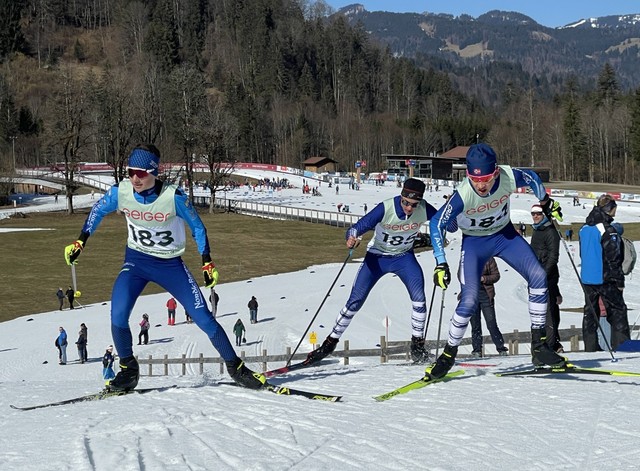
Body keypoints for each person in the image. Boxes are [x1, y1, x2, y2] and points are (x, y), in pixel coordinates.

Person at [63, 144, 265, 391]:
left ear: (154, 172)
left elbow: (198, 227)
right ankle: (128, 370)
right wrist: (80, 241)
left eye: (141, 173)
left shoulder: (173, 197)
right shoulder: (121, 191)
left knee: (204, 319)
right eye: (131, 172)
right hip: (136, 262)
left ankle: (236, 368)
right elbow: (98, 210)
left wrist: (207, 261)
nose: (135, 178)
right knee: (117, 315)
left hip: (170, 265)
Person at [427, 143, 566, 378]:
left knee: (539, 276)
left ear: (496, 172)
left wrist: (545, 201)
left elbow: (532, 177)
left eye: (487, 179)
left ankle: (540, 346)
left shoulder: (508, 177)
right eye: (474, 179)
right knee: (469, 299)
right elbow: (436, 223)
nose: (481, 185)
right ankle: (448, 355)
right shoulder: (463, 194)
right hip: (474, 244)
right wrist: (441, 262)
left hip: (504, 236)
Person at [307, 178, 439, 365]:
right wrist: (351, 238)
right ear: (401, 197)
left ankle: (417, 348)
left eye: (414, 205)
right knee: (355, 301)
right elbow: (357, 227)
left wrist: (446, 215)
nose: (409, 208)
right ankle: (328, 345)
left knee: (419, 298)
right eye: (405, 203)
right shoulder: (386, 208)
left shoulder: (424, 208)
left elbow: (448, 224)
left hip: (403, 258)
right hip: (377, 258)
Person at [579, 194, 630, 351]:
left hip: (587, 277)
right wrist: (619, 282)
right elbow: (613, 258)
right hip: (604, 277)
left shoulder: (585, 228)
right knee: (618, 309)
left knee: (590, 312)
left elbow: (582, 252)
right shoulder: (607, 230)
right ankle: (622, 347)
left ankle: (590, 347)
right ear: (610, 209)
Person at [530, 203, 564, 353]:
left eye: (538, 213)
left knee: (548, 313)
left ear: (544, 215)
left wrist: (543, 274)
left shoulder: (550, 231)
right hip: (536, 276)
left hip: (546, 276)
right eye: (533, 214)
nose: (535, 216)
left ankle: (550, 346)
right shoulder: (537, 230)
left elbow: (553, 257)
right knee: (539, 313)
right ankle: (551, 343)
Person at [467, 257, 508, 357]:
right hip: (472, 296)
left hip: (486, 295)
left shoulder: (489, 259)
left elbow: (496, 276)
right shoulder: (467, 257)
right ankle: (477, 350)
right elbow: (460, 275)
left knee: (491, 324)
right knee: (475, 325)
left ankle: (501, 348)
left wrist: (483, 278)